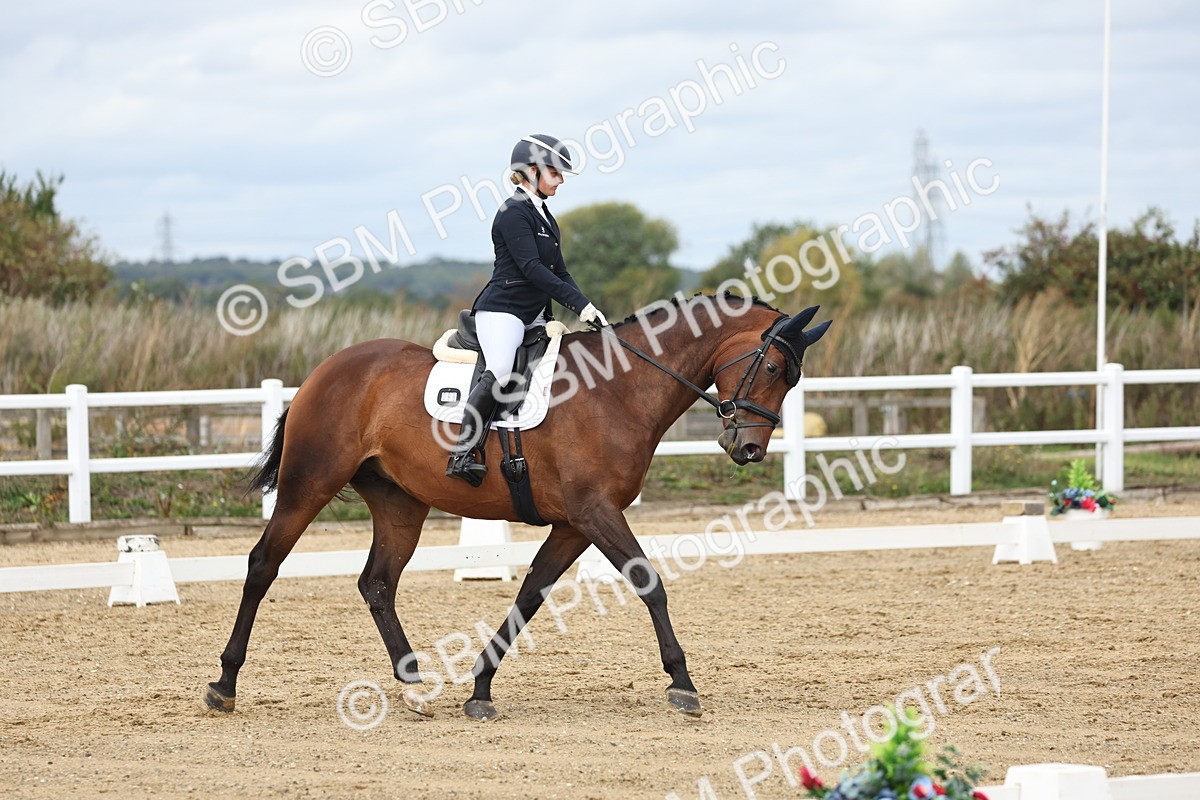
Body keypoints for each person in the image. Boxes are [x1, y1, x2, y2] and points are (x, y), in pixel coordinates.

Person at [446, 134, 609, 486]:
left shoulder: (546, 217)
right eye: (556, 173)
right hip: (503, 311)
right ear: (532, 171)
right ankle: (462, 451)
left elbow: (560, 272)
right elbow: (532, 268)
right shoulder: (512, 212)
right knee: (502, 369)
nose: (561, 180)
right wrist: (576, 304)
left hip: (536, 315)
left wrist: (589, 308)